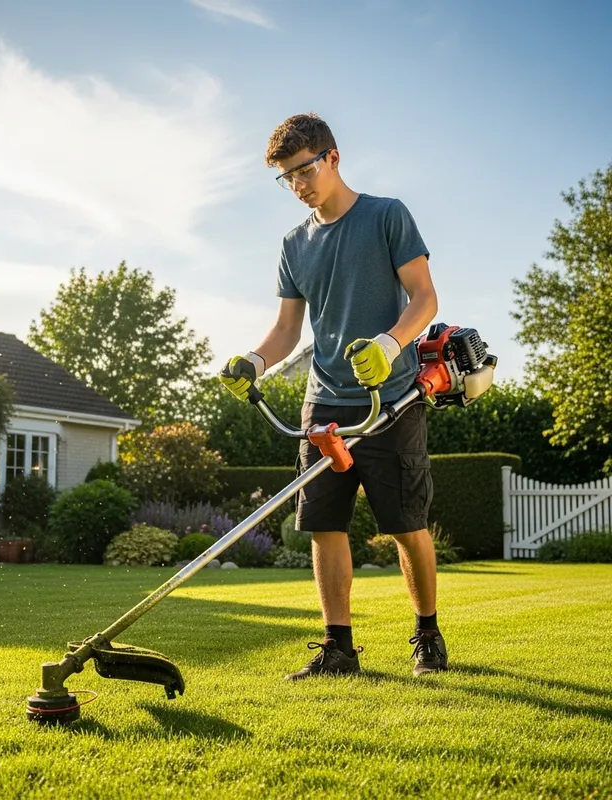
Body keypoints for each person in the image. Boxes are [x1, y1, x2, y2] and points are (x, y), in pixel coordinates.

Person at [219, 112, 447, 679]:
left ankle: (427, 633)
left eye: (304, 170)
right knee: (324, 525)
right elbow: (287, 332)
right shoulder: (294, 245)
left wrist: (392, 344)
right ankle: (339, 648)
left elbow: (424, 298)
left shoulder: (386, 215)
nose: (298, 185)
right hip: (324, 402)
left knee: (405, 524)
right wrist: (254, 361)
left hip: (390, 397)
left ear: (333, 157)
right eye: (287, 178)